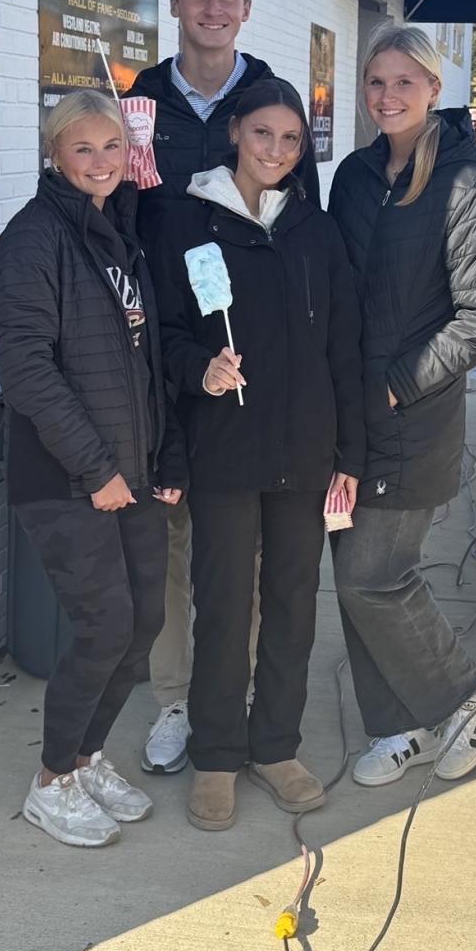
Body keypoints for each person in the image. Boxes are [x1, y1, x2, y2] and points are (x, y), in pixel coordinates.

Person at [146, 77, 364, 830]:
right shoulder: (188, 221)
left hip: (304, 450)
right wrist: (199, 370)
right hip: (225, 449)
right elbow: (167, 333)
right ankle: (215, 755)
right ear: (235, 131)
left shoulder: (315, 231)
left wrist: (349, 451)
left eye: (291, 139)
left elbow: (344, 346)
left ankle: (275, 747)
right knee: (223, 606)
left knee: (293, 607)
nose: (275, 149)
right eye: (263, 132)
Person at [130, 0, 318, 778]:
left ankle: (231, 694)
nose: (213, 9)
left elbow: (301, 230)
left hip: (248, 354)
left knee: (245, 545)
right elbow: (120, 212)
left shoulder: (266, 97)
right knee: (173, 531)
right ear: (175, 2)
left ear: (245, 6)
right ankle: (178, 697)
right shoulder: (141, 102)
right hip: (163, 342)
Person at [0, 91, 186, 848]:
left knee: (143, 624)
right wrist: (99, 468)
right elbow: (28, 372)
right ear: (54, 155)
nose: (101, 162)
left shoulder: (119, 230)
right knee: (104, 627)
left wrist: (161, 458)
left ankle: (86, 757)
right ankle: (51, 782)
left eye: (112, 147)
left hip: (131, 472)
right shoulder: (34, 239)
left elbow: (144, 361)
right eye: (82, 148)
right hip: (69, 477)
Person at [328, 24, 476, 788]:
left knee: (375, 576)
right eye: (376, 81)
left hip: (411, 416)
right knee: (351, 576)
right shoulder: (352, 176)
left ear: (435, 88)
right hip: (344, 413)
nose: (387, 96)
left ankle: (464, 690)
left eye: (405, 81)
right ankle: (397, 726)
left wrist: (398, 382)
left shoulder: (462, 183)